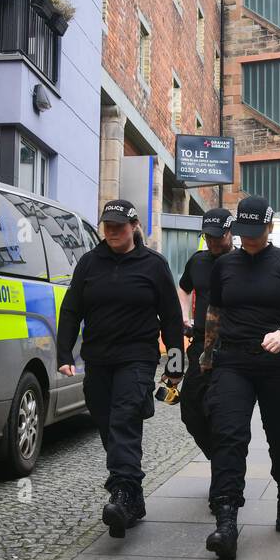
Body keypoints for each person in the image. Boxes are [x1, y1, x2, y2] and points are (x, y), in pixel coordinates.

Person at [57, 198, 184, 538]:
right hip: (98, 359)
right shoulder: (89, 263)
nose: (112, 232)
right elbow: (71, 310)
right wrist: (64, 354)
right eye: (107, 226)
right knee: (105, 422)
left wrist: (174, 367)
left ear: (134, 227)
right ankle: (133, 497)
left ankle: (122, 493)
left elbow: (171, 318)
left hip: (138, 358)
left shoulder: (153, 265)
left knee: (124, 419)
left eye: (119, 226)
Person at [200, 196, 280, 560]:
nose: (247, 239)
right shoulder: (225, 265)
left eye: (255, 232)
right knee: (228, 435)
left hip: (276, 361)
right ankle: (227, 518)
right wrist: (206, 353)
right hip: (232, 360)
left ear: (268, 227)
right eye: (242, 233)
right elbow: (215, 312)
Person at [177, 207, 233, 458]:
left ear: (230, 232)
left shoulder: (240, 261)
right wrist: (184, 315)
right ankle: (217, 456)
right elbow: (184, 288)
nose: (212, 242)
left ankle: (225, 468)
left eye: (218, 237)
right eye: (208, 237)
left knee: (222, 411)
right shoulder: (198, 260)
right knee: (190, 409)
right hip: (199, 344)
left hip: (231, 346)